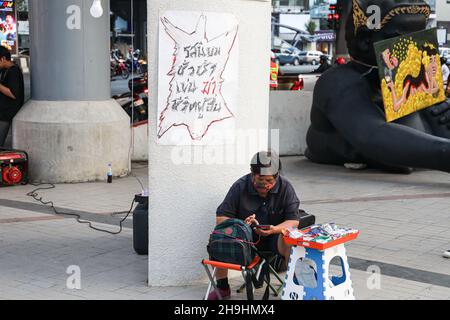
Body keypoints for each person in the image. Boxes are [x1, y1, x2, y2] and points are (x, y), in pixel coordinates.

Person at [305, 0, 450, 174]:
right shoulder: (339, 82)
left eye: (419, 35)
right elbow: (375, 136)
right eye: (403, 38)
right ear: (366, 41)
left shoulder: (407, 77)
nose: (417, 47)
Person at [208, 151, 303, 300]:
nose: (265, 184)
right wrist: (241, 225)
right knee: (219, 235)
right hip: (245, 239)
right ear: (252, 174)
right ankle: (222, 287)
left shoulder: (285, 187)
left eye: (269, 181)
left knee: (289, 239)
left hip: (274, 238)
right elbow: (221, 218)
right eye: (260, 180)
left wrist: (274, 229)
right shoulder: (240, 186)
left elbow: (293, 221)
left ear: (277, 177)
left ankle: (295, 287)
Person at [0, 46, 24, 147]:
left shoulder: (13, 71)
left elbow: (13, 94)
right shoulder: (4, 69)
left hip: (5, 115)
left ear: (3, 59)